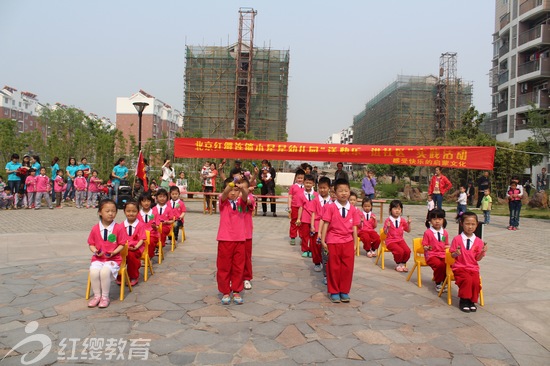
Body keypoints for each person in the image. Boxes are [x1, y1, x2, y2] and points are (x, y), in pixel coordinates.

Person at [320, 178, 359, 303]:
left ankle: (344, 291)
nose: (343, 193)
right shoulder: (330, 207)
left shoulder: (353, 209)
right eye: (340, 191)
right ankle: (334, 291)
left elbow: (354, 227)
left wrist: (355, 243)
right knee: (334, 267)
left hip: (348, 241)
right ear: (335, 192)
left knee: (347, 268)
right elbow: (326, 223)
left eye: (346, 190)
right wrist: (323, 240)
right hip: (333, 241)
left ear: (349, 192)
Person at [217, 177, 248, 305]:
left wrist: (242, 189)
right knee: (224, 267)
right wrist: (233, 182)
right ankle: (225, 291)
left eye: (236, 190)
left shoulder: (241, 202)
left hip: (240, 239)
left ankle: (236, 290)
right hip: (225, 239)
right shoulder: (223, 201)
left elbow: (246, 196)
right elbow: (225, 194)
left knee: (238, 267)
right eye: (231, 190)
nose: (233, 193)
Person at [86, 199, 124, 308]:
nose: (111, 213)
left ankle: (105, 297)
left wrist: (114, 252)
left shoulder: (118, 228)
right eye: (107, 211)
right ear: (100, 212)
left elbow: (122, 244)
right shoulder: (95, 228)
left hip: (113, 259)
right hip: (98, 259)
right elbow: (91, 244)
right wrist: (95, 251)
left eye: (113, 211)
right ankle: (97, 296)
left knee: (104, 272)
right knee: (93, 271)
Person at [450, 211, 488, 313]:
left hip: (473, 268)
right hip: (460, 267)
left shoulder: (479, 241)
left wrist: (482, 252)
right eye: (467, 224)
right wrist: (456, 253)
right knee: (467, 280)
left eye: (473, 224)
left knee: (475, 282)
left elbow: (477, 258)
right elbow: (452, 255)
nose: (470, 227)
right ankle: (463, 300)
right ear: (461, 224)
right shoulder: (457, 239)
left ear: (477, 225)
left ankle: (472, 301)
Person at [116, 200, 145, 287]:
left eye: (134, 211)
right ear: (124, 211)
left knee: (131, 255)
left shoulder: (140, 225)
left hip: (136, 248)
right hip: (124, 247)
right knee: (118, 256)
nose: (131, 213)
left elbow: (142, 239)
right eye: (128, 211)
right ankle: (120, 274)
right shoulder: (120, 226)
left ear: (138, 212)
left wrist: (136, 247)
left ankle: (133, 276)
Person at [422, 209, 450, 292]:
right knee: (439, 265)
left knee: (447, 264)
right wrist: (427, 247)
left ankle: (444, 281)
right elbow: (424, 245)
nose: (437, 221)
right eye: (434, 219)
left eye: (440, 219)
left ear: (443, 220)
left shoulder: (444, 233)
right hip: (431, 255)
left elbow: (445, 244)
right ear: (430, 221)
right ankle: (438, 282)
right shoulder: (428, 233)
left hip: (442, 254)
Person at [310, 176, 332, 275]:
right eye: (320, 188)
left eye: (325, 188)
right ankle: (317, 262)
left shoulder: (332, 200)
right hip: (317, 223)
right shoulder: (315, 200)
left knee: (326, 245)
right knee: (316, 245)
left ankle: (326, 261)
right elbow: (313, 213)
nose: (322, 190)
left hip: (327, 225)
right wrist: (312, 225)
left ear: (329, 188)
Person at [383, 199, 412, 272]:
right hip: (390, 241)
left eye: (399, 209)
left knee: (407, 251)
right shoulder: (388, 220)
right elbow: (385, 232)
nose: (397, 211)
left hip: (400, 240)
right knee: (400, 251)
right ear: (390, 210)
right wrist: (388, 227)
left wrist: (408, 224)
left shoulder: (402, 220)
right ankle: (398, 263)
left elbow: (408, 230)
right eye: (395, 208)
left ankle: (402, 263)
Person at [296, 174, 318, 258]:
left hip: (314, 219)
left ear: (313, 184)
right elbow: (300, 208)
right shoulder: (301, 195)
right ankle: (305, 249)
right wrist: (298, 218)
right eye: (306, 182)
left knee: (313, 236)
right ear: (304, 183)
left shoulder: (316, 195)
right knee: (305, 235)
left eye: (310, 183)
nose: (308, 184)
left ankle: (312, 250)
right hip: (305, 218)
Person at [242, 179, 256, 291]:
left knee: (246, 256)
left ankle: (246, 278)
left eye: (244, 187)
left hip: (246, 233)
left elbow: (248, 202)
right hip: (234, 234)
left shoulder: (250, 197)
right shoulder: (232, 197)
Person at [287, 169, 306, 246]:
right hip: (294, 207)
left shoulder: (306, 187)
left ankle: (302, 237)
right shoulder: (293, 187)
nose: (300, 180)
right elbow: (290, 197)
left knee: (302, 223)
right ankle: (293, 237)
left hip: (304, 208)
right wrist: (289, 207)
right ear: (295, 178)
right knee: (294, 222)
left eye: (302, 178)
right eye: (298, 178)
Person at [137, 193, 158, 259]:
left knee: (151, 241)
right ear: (140, 203)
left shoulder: (154, 213)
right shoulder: (138, 214)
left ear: (151, 202)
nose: (146, 203)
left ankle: (149, 257)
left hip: (152, 234)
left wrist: (155, 227)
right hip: (140, 235)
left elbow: (158, 226)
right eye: (144, 201)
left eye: (148, 201)